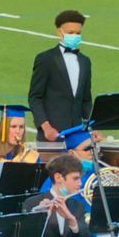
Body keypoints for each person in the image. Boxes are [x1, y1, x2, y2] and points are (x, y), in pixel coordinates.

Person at [28, 9, 93, 142]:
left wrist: (93, 128)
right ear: (60, 32)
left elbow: (86, 101)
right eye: (70, 32)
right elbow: (35, 97)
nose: (75, 36)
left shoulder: (85, 61)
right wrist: (46, 127)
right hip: (52, 135)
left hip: (77, 135)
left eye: (78, 33)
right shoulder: (46, 59)